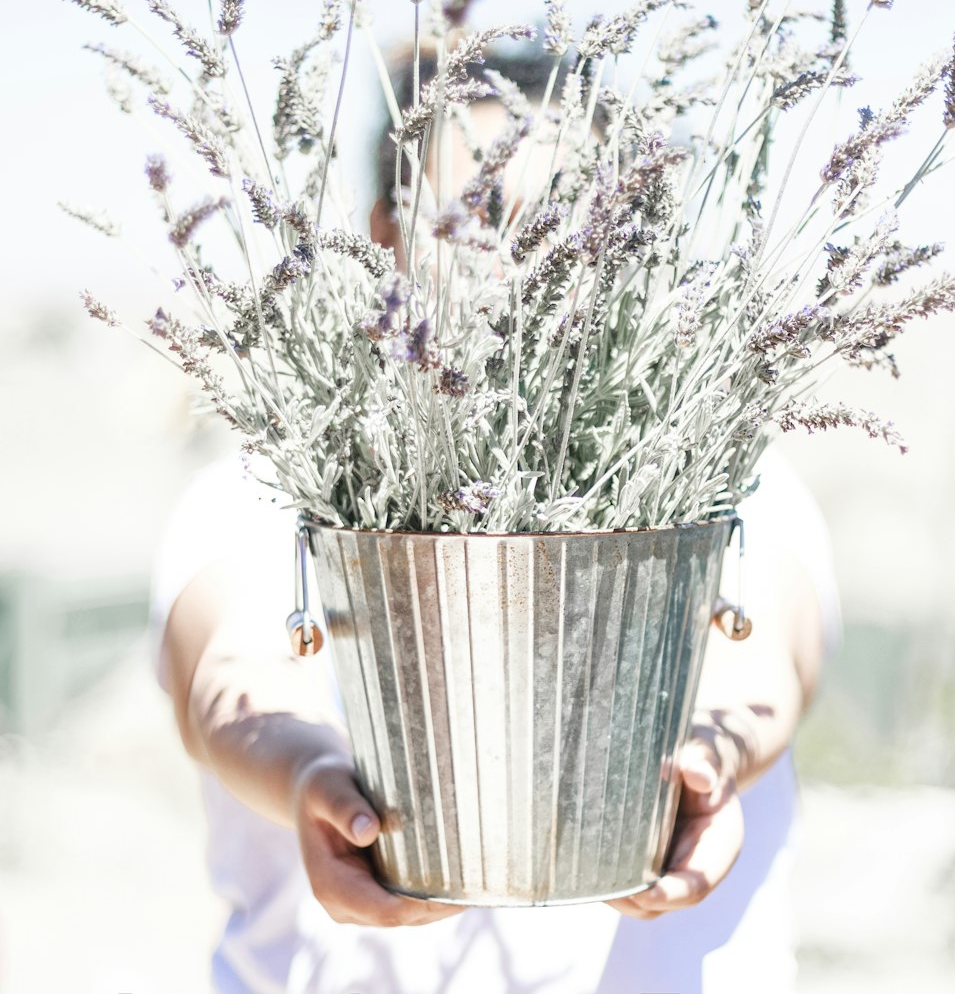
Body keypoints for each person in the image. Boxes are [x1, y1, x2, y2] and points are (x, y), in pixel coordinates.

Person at [150, 49, 843, 994]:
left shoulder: (716, 473)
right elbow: (234, 673)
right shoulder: (277, 481)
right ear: (386, 237)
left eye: (577, 223)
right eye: (481, 215)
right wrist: (314, 778)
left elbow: (763, 652)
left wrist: (714, 759)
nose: (535, 258)